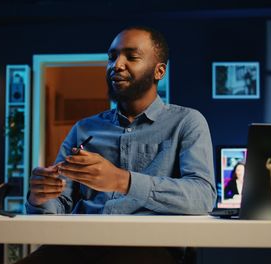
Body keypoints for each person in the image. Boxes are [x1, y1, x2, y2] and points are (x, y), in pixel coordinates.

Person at [18, 26, 216, 264]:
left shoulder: (187, 122)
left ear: (159, 71)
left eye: (131, 57)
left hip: (148, 248)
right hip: (79, 246)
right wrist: (40, 197)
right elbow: (60, 205)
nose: (117, 65)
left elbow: (203, 196)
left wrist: (122, 181)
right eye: (112, 57)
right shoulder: (84, 129)